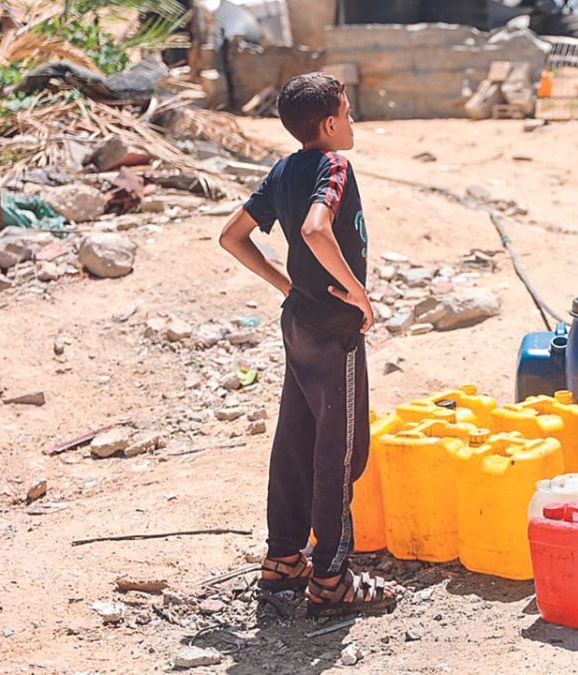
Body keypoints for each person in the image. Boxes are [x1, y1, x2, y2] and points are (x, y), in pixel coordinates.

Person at [219, 72, 396, 616]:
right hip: (331, 328)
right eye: (345, 111)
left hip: (297, 321)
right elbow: (318, 229)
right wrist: (357, 294)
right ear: (328, 123)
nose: (351, 121)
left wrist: (287, 286)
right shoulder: (333, 165)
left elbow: (232, 235)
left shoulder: (284, 168)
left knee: (296, 439)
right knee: (338, 453)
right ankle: (331, 577)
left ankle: (284, 559)